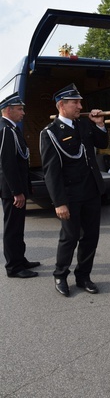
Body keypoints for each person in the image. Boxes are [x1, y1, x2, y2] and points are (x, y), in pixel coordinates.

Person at [40, 84, 108, 296]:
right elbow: (51, 172)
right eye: (75, 102)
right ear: (61, 105)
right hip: (70, 195)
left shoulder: (84, 125)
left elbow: (102, 142)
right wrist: (59, 202)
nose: (80, 106)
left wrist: (99, 124)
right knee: (69, 237)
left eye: (80, 102)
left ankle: (83, 276)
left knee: (90, 237)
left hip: (91, 192)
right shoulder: (50, 133)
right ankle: (60, 275)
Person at [0, 92, 40, 278]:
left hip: (17, 187)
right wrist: (17, 191)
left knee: (18, 227)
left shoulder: (12, 128)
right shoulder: (6, 130)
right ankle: (14, 267)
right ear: (8, 110)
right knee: (13, 229)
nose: (23, 112)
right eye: (19, 109)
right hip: (11, 190)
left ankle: (20, 259)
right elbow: (7, 164)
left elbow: (22, 160)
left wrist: (27, 186)